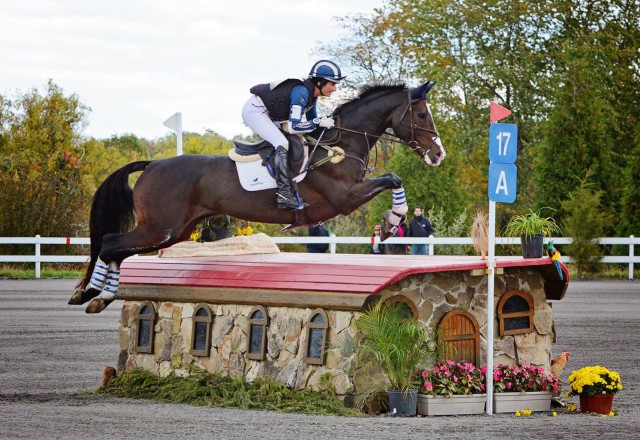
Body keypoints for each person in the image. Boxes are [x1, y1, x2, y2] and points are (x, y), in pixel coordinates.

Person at [242, 60, 345, 211]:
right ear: (320, 82)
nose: (334, 88)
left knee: (297, 140)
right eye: (332, 83)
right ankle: (284, 194)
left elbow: (311, 124)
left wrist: (324, 125)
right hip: (255, 111)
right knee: (281, 143)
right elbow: (294, 126)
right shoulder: (301, 92)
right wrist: (318, 122)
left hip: (270, 114)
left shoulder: (312, 97)